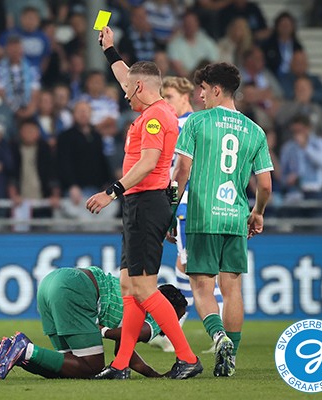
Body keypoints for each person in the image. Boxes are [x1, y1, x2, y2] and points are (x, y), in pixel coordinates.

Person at [84, 26, 202, 380]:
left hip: (146, 203)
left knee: (143, 289)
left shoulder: (154, 118)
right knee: (129, 287)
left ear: (139, 88)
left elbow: (149, 163)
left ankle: (187, 357)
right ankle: (121, 364)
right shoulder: (156, 109)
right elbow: (127, 76)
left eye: (128, 88)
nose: (123, 92)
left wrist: (111, 192)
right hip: (142, 205)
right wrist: (110, 49)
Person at [172, 62, 273, 377]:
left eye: (203, 89)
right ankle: (232, 358)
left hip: (203, 216)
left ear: (216, 89)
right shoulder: (255, 131)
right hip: (236, 217)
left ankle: (218, 337)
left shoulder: (196, 122)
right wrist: (257, 212)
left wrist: (169, 211)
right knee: (232, 289)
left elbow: (182, 171)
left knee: (202, 286)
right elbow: (266, 185)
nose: (200, 96)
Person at [0, 266, 188, 379]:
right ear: (168, 307)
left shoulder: (137, 294)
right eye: (175, 317)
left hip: (51, 282)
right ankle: (26, 349)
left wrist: (153, 375)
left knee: (69, 369)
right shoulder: (154, 307)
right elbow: (140, 333)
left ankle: (12, 351)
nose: (174, 324)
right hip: (75, 288)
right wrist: (102, 331)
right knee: (93, 367)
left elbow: (123, 351)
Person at [153, 76, 223, 353]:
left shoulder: (184, 124)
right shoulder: (201, 124)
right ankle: (174, 330)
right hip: (206, 205)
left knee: (195, 269)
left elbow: (180, 170)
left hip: (187, 204)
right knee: (187, 267)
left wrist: (169, 206)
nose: (166, 103)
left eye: (169, 97)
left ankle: (212, 334)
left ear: (186, 97)